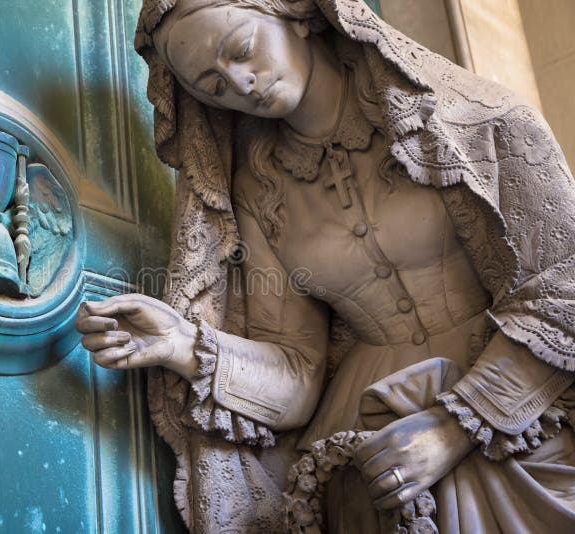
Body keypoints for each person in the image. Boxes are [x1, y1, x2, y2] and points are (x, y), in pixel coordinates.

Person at [75, 0, 575, 531]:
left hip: (518, 411)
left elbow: (565, 290)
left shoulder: (477, 120)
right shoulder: (260, 191)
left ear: (296, 14)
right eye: (213, 87)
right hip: (366, 443)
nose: (241, 83)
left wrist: (451, 430)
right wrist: (185, 345)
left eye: (242, 50)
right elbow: (297, 370)